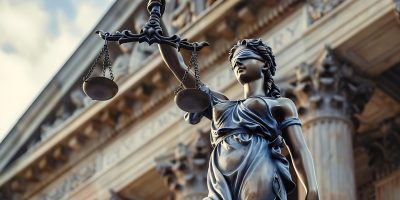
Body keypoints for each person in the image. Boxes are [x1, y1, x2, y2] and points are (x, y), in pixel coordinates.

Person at [158, 23, 319, 200]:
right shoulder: (219, 103)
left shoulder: (280, 104)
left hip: (257, 166)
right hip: (221, 177)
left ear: (264, 64)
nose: (238, 64)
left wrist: (312, 189)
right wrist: (158, 20)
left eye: (244, 58)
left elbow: (299, 150)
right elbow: (178, 66)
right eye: (235, 63)